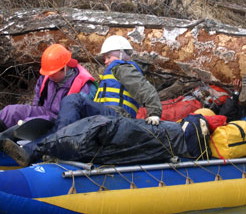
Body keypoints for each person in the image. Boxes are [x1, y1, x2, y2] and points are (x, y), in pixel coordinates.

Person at [0, 35, 162, 166]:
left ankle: (55, 149)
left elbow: (144, 89)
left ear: (121, 54)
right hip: (105, 119)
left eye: (108, 57)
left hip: (117, 118)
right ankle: (29, 151)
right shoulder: (113, 71)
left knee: (73, 100)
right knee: (62, 125)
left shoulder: (122, 67)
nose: (105, 61)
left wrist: (154, 112)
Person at [0, 43, 97, 139]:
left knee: (30, 123)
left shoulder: (85, 86)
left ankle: (5, 141)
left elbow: (80, 120)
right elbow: (38, 97)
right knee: (10, 112)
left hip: (62, 123)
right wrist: (33, 110)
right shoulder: (48, 75)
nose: (49, 76)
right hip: (44, 111)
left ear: (64, 68)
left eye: (53, 74)